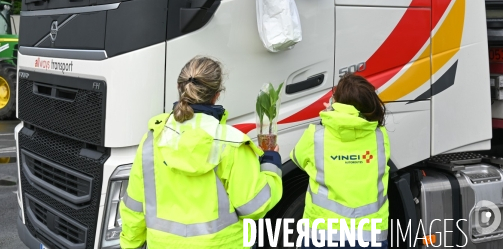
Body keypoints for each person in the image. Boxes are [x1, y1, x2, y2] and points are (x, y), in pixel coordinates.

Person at [120, 56, 283, 248]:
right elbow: (255, 207)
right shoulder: (232, 143)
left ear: (179, 87)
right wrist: (271, 164)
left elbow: (134, 209)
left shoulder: (152, 140)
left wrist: (130, 245)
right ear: (217, 94)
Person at [290, 73, 390, 248]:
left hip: (321, 236)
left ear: (335, 102)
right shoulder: (380, 137)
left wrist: (328, 119)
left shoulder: (315, 135)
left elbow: (298, 160)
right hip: (370, 237)